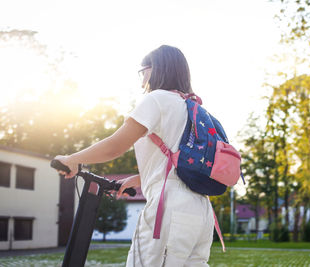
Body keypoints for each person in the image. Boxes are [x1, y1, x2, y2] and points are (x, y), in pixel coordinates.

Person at [55, 45, 215, 267]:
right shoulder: (193, 107)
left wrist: (71, 159)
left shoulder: (157, 99)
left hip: (169, 209)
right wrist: (140, 178)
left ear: (156, 69)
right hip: (201, 211)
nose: (142, 76)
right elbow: (180, 161)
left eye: (143, 69)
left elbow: (115, 146)